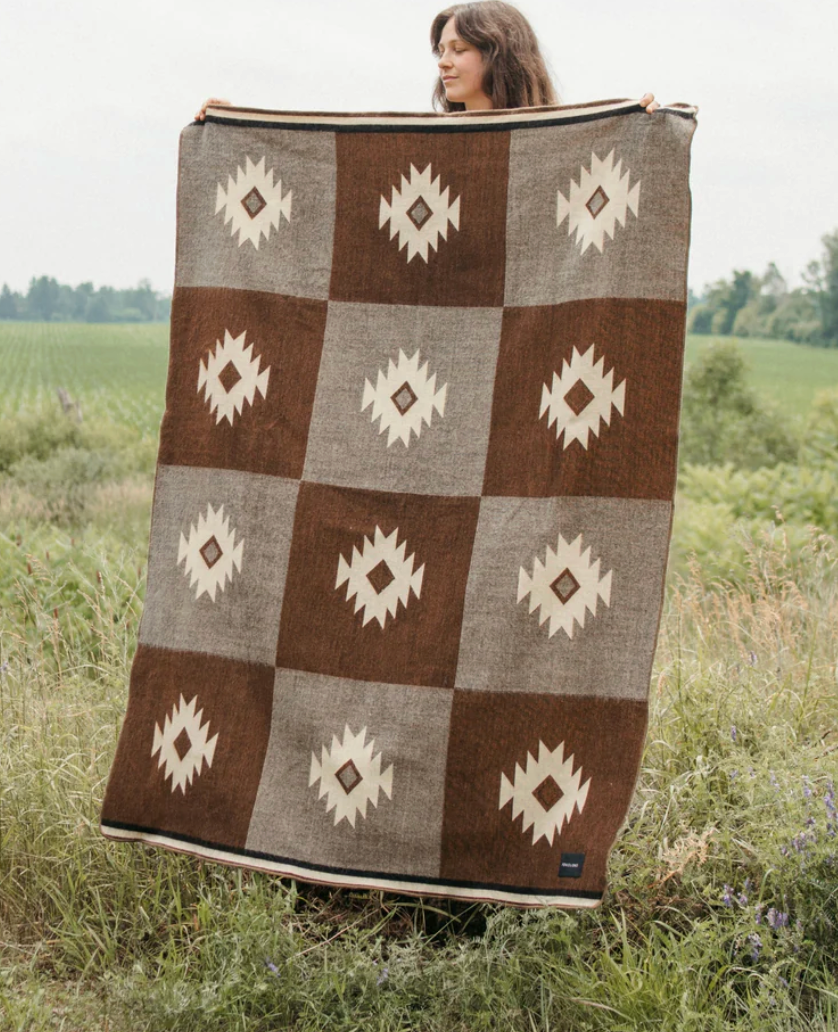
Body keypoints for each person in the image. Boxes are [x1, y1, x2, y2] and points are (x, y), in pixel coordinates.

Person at [195, 0, 659, 121]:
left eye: (459, 50)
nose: (443, 63)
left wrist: (638, 131)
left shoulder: (556, 142)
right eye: (440, 51)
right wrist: (237, 123)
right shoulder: (428, 146)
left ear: (502, 56)